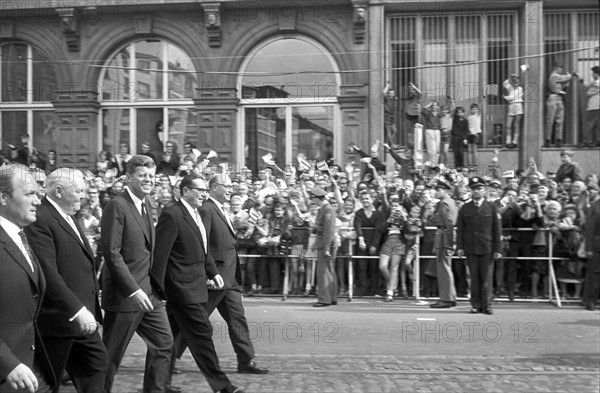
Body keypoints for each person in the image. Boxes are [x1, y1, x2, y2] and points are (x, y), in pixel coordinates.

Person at [152, 174, 245, 393]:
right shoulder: (172, 214)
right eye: (200, 189)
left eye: (205, 190)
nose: (204, 193)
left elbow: (203, 249)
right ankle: (221, 385)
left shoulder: (196, 214)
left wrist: (213, 272)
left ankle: (157, 384)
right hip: (181, 289)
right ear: (185, 191)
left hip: (193, 286)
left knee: (166, 339)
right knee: (202, 333)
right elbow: (161, 256)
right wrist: (157, 291)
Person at [24, 168, 107, 393]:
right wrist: (77, 310)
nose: (84, 195)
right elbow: (47, 272)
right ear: (59, 191)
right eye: (79, 190)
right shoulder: (40, 218)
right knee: (45, 384)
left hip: (79, 320)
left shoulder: (68, 216)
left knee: (97, 363)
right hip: (57, 320)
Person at [100, 155, 175, 393]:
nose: (148, 180)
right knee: (110, 357)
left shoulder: (148, 204)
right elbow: (112, 253)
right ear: (129, 177)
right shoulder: (117, 205)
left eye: (151, 176)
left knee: (164, 343)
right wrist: (133, 290)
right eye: (142, 175)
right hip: (126, 296)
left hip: (150, 295)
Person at [199, 174, 269, 375]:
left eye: (231, 185)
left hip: (230, 278)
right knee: (194, 320)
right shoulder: (207, 209)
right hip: (217, 277)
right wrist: (209, 274)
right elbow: (202, 245)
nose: (231, 188)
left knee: (238, 319)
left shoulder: (221, 209)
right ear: (213, 187)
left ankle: (246, 360)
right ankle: (167, 358)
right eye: (226, 185)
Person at [0, 164, 54, 393]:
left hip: (31, 369)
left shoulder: (20, 235)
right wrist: (7, 364)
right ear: (3, 197)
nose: (38, 201)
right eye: (29, 194)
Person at [456, 177, 502, 315]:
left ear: (485, 190)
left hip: (487, 247)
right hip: (471, 246)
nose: (477, 191)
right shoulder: (465, 208)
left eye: (479, 188)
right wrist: (460, 247)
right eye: (474, 188)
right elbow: (460, 229)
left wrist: (497, 249)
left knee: (487, 278)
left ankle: (487, 304)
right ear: (470, 190)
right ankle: (475, 304)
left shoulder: (492, 207)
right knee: (474, 278)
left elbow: (497, 229)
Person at [429, 179, 458, 308]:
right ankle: (450, 297)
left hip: (444, 237)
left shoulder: (445, 204)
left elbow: (449, 223)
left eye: (439, 190)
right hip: (446, 236)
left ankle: (446, 298)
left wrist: (451, 241)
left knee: (443, 269)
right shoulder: (450, 202)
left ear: (445, 190)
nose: (437, 192)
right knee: (446, 268)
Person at [308, 187, 338, 307]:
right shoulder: (323, 209)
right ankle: (332, 297)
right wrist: (315, 229)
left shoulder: (328, 210)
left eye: (312, 198)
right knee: (329, 271)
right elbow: (322, 227)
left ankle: (325, 299)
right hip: (323, 241)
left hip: (326, 243)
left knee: (324, 272)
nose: (311, 200)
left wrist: (326, 248)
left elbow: (329, 231)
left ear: (317, 198)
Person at [582, 184, 600, 310]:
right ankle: (590, 300)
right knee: (594, 275)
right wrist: (588, 248)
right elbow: (590, 229)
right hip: (596, 246)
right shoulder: (595, 206)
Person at [545, 63, 572, 147]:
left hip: (559, 97)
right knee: (550, 120)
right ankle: (548, 139)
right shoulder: (554, 76)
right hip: (553, 97)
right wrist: (568, 74)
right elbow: (567, 77)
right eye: (560, 68)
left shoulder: (557, 78)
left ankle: (559, 139)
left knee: (560, 120)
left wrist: (566, 84)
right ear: (556, 68)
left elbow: (564, 86)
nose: (561, 70)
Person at [503, 73, 524, 148]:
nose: (515, 83)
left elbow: (512, 97)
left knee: (516, 125)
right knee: (508, 125)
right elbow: (505, 83)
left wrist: (505, 97)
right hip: (511, 106)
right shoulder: (510, 88)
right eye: (514, 81)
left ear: (519, 82)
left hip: (518, 105)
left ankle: (514, 142)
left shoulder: (520, 89)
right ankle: (508, 141)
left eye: (517, 81)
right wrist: (510, 77)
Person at [582, 66, 599, 147]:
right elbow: (587, 84)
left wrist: (588, 92)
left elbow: (588, 92)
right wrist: (579, 78)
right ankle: (597, 141)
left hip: (594, 105)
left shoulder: (597, 83)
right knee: (596, 125)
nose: (592, 75)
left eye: (593, 73)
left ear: (596, 73)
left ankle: (586, 141)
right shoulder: (596, 81)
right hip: (597, 106)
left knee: (588, 124)